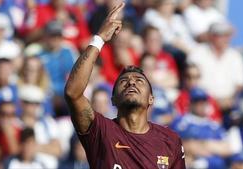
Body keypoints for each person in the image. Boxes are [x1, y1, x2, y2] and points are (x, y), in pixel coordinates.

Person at [64, 3, 185, 169]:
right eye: (123, 82)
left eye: (139, 80)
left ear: (151, 99)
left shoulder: (170, 140)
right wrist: (99, 39)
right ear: (113, 99)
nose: (131, 82)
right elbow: (73, 93)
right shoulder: (100, 131)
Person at [188, 22, 243, 112]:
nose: (224, 39)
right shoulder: (198, 53)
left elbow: (240, 84)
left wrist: (230, 100)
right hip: (202, 102)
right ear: (211, 36)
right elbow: (191, 79)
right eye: (219, 35)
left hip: (229, 105)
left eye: (226, 35)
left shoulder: (235, 56)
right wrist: (213, 100)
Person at [170, 88, 232, 169]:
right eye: (196, 101)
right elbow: (173, 144)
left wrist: (205, 145)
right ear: (191, 103)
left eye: (203, 101)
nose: (200, 104)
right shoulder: (181, 122)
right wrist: (193, 147)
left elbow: (227, 148)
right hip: (191, 163)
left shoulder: (214, 125)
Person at [19, 85, 62, 169]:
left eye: (37, 103)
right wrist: (47, 147)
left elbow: (58, 150)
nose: (34, 107)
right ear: (22, 103)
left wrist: (33, 147)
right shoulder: (16, 123)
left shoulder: (48, 123)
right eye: (30, 103)